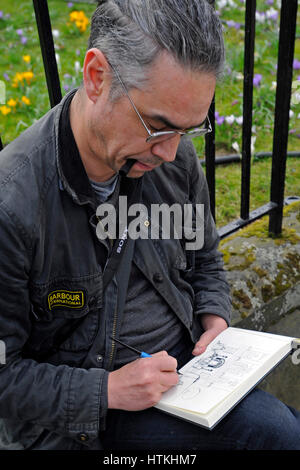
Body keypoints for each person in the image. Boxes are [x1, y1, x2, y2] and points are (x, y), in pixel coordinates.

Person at [0, 0, 299, 451]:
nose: (169, 151)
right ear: (97, 77)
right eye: (157, 125)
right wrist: (109, 391)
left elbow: (205, 258)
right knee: (276, 433)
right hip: (87, 423)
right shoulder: (13, 206)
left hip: (189, 383)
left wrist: (215, 315)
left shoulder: (172, 155)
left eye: (190, 129)